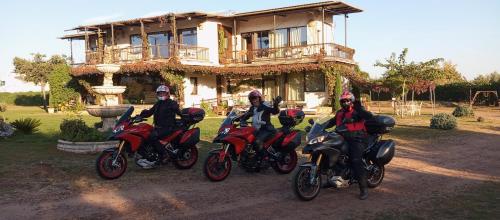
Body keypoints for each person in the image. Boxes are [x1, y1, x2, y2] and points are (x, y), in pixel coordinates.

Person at [326, 91, 373, 200]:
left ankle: (363, 188)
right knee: (331, 152)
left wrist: (359, 108)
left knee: (356, 160)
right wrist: (319, 126)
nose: (345, 103)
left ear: (352, 101)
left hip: (358, 138)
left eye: (348, 100)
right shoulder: (340, 112)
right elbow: (331, 122)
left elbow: (368, 116)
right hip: (343, 137)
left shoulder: (357, 111)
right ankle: (331, 180)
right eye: (343, 101)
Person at [139, 85, 182, 164]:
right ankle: (149, 154)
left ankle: (164, 154)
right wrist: (141, 115)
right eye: (159, 93)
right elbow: (150, 112)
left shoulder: (171, 103)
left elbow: (178, 111)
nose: (161, 95)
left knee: (152, 136)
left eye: (163, 93)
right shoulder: (158, 103)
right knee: (145, 134)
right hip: (158, 127)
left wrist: (181, 114)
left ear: (167, 93)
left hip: (168, 128)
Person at [239, 90, 282, 165]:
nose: (254, 100)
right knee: (246, 140)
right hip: (257, 130)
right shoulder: (253, 108)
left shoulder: (265, 106)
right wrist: (238, 118)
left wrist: (276, 104)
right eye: (252, 99)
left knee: (257, 142)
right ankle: (250, 158)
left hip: (267, 129)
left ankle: (265, 158)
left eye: (255, 98)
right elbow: (247, 115)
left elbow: (275, 111)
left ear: (259, 98)